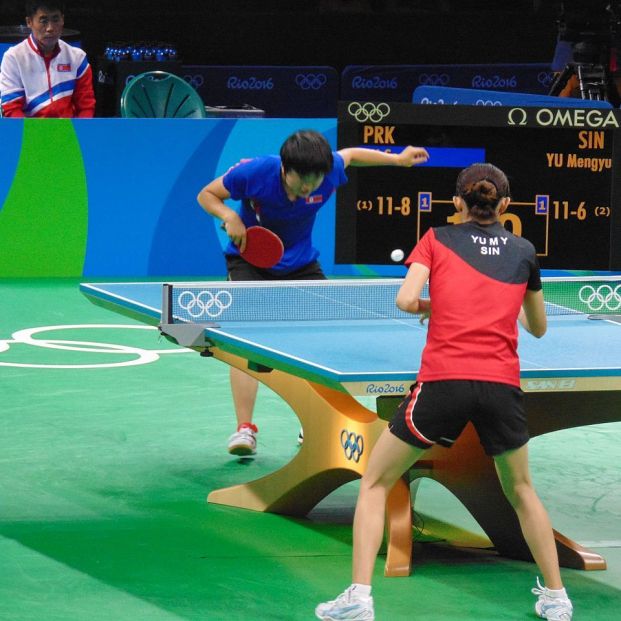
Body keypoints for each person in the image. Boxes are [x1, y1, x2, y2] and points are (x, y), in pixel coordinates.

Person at [315, 163, 574, 621]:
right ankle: (557, 598)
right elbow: (537, 327)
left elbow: (405, 299)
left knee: (375, 481)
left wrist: (437, 306)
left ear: (457, 203)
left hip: (444, 382)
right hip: (500, 386)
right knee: (522, 490)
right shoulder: (525, 250)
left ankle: (358, 597)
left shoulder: (435, 238)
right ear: (505, 205)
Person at [197, 129, 429, 457]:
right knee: (245, 344)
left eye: (315, 180)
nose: (308, 187)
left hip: (301, 263)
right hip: (251, 259)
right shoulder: (256, 173)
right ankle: (245, 429)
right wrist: (229, 214)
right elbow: (206, 194)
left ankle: (314, 423)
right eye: (301, 179)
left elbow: (350, 154)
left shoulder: (329, 170)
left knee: (319, 344)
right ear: (284, 169)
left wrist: (398, 159)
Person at [0, 2, 95, 118]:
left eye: (55, 20)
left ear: (63, 20)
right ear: (29, 22)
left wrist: (80, 132)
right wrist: (39, 134)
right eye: (43, 21)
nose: (50, 28)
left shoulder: (78, 58)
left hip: (67, 131)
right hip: (29, 131)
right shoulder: (13, 58)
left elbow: (86, 107)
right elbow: (12, 109)